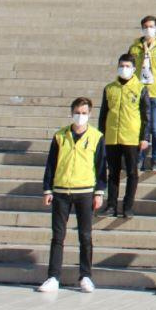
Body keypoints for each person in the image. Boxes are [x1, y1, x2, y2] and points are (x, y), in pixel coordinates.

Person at [37, 97, 107, 294]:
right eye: (77, 112)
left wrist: (99, 192)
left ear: (90, 114)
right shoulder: (60, 136)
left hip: (85, 191)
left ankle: (85, 276)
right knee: (58, 236)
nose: (80, 116)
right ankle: (53, 276)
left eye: (84, 113)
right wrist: (47, 189)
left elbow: (101, 166)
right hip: (61, 191)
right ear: (71, 112)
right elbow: (51, 164)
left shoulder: (96, 136)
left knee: (85, 236)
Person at [98, 53, 150, 218]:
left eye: (127, 66)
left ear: (134, 69)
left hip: (131, 136)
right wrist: (101, 135)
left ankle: (128, 206)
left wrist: (144, 137)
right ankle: (111, 205)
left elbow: (146, 116)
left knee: (132, 173)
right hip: (112, 135)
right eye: (121, 66)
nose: (124, 69)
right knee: (113, 172)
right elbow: (103, 114)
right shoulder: (110, 88)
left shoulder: (140, 88)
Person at [129, 15, 156, 172]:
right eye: (145, 27)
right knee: (141, 127)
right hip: (138, 92)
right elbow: (129, 68)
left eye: (151, 26)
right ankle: (139, 159)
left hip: (155, 92)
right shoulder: (135, 47)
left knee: (155, 128)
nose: (148, 29)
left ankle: (155, 160)